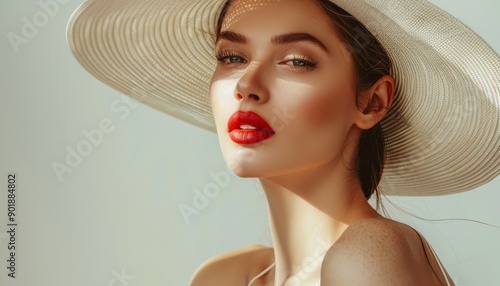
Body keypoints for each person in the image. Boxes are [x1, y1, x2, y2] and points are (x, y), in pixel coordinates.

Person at [67, 0, 499, 285]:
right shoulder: (227, 276)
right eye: (231, 57)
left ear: (371, 101)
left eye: (296, 61)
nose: (247, 85)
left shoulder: (368, 256)